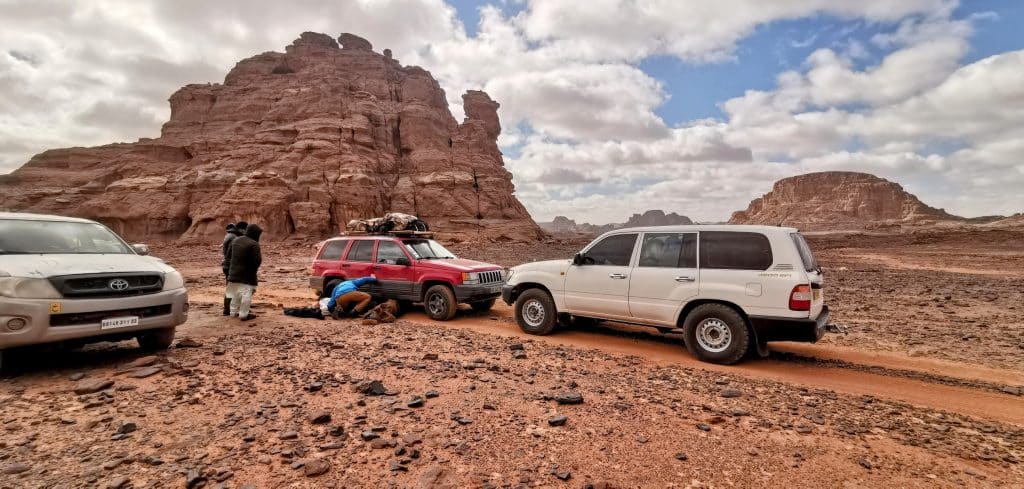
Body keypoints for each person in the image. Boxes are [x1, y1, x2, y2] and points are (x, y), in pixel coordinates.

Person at [226, 224, 262, 321]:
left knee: (236, 293)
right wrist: (252, 270)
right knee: (247, 294)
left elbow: (228, 255)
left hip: (233, 272)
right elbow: (257, 261)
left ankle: (233, 313)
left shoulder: (236, 240)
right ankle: (243, 315)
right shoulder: (254, 244)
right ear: (255, 234)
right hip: (247, 274)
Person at [220, 223, 241, 316]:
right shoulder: (234, 238)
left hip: (227, 265)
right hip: (231, 266)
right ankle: (229, 309)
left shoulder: (228, 236)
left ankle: (228, 309)